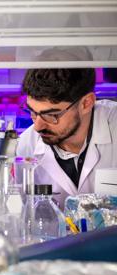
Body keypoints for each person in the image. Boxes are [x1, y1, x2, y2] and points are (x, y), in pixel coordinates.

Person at [16, 68, 117, 208]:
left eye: (51, 115)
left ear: (86, 103)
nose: (38, 126)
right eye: (33, 112)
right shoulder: (27, 144)